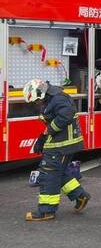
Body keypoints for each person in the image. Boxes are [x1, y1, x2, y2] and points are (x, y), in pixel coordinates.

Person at [22, 79, 90, 221]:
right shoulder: (52, 98)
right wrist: (43, 137)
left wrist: (49, 131)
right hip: (61, 143)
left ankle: (46, 211)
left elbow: (66, 115)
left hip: (62, 145)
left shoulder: (58, 98)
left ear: (40, 93)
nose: (37, 103)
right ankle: (80, 196)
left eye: (36, 101)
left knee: (49, 174)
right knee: (59, 172)